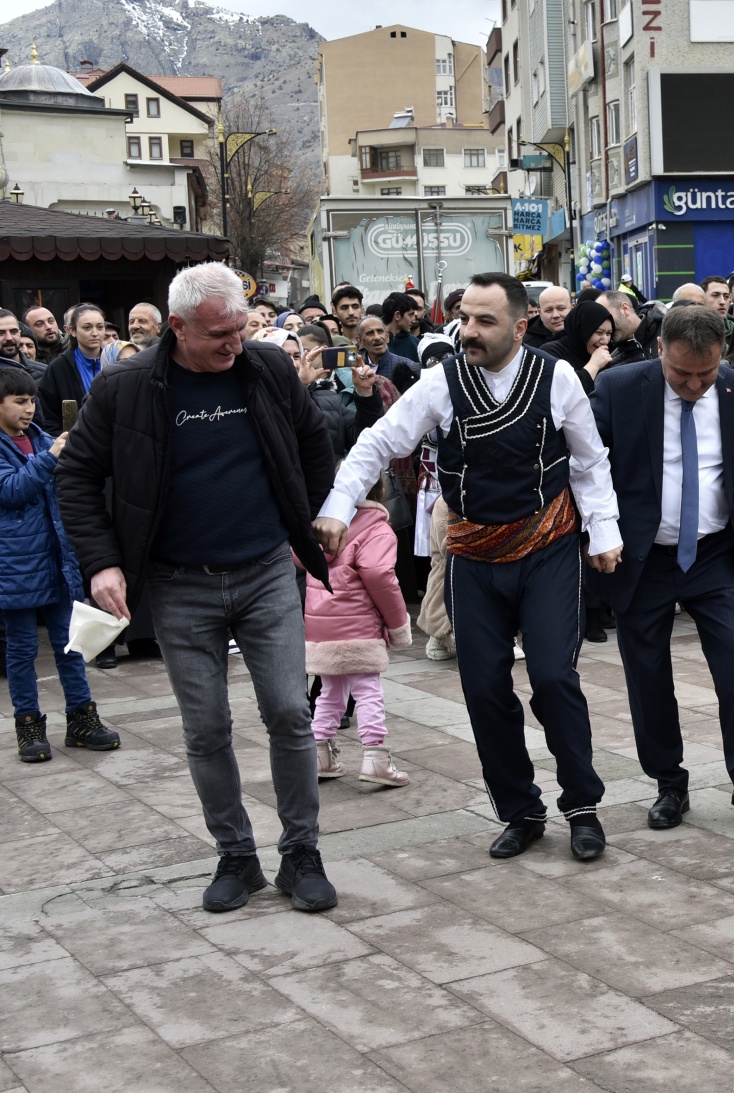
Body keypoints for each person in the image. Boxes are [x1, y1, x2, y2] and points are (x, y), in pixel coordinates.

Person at [57, 262, 339, 913]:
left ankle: (302, 852)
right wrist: (101, 563)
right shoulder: (126, 387)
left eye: (241, 329)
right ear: (177, 327)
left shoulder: (266, 369)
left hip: (266, 569)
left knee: (290, 711)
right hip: (178, 584)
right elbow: (75, 477)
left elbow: (312, 440)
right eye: (219, 335)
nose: (234, 344)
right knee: (207, 725)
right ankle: (236, 856)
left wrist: (327, 510)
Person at [315, 271, 621, 862]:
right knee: (483, 688)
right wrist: (336, 506)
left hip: (547, 549)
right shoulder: (441, 382)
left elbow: (589, 461)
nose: (470, 332)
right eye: (465, 319)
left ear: (520, 325)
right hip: (473, 557)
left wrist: (604, 532)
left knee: (555, 680)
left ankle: (582, 806)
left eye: (485, 320)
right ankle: (520, 809)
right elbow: (378, 443)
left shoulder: (558, 378)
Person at [590, 306, 734, 825]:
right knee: (648, 673)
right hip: (643, 557)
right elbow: (588, 469)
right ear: (660, 352)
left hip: (714, 551)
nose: (695, 385)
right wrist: (599, 536)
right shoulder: (618, 389)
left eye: (707, 373)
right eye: (682, 375)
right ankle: (669, 783)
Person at [0, 368, 119, 762]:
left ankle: (81, 719)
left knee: (70, 646)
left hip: (56, 560)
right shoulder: (36, 448)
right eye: (19, 401)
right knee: (20, 651)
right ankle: (29, 725)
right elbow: (11, 491)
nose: (28, 408)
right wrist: (50, 459)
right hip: (14, 567)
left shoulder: (45, 439)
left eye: (31, 400)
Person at [305, 478, 413, 786]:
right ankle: (375, 757)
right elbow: (381, 576)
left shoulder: (322, 527)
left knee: (329, 690)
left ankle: (320, 755)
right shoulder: (376, 529)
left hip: (320, 624)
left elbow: (298, 556)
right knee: (368, 691)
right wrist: (397, 624)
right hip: (359, 626)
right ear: (380, 492)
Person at [37, 303, 105, 434]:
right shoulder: (58, 368)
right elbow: (48, 418)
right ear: (72, 331)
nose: (95, 333)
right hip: (76, 445)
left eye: (100, 327)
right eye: (87, 327)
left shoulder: (116, 362)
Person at [543, 301, 615, 394]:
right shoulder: (550, 352)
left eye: (608, 333)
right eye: (599, 333)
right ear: (581, 330)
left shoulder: (606, 355)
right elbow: (564, 395)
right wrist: (593, 365)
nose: (605, 340)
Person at [381, 292, 422, 362]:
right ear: (397, 315)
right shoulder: (376, 342)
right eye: (410, 315)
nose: (413, 320)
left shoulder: (416, 344)